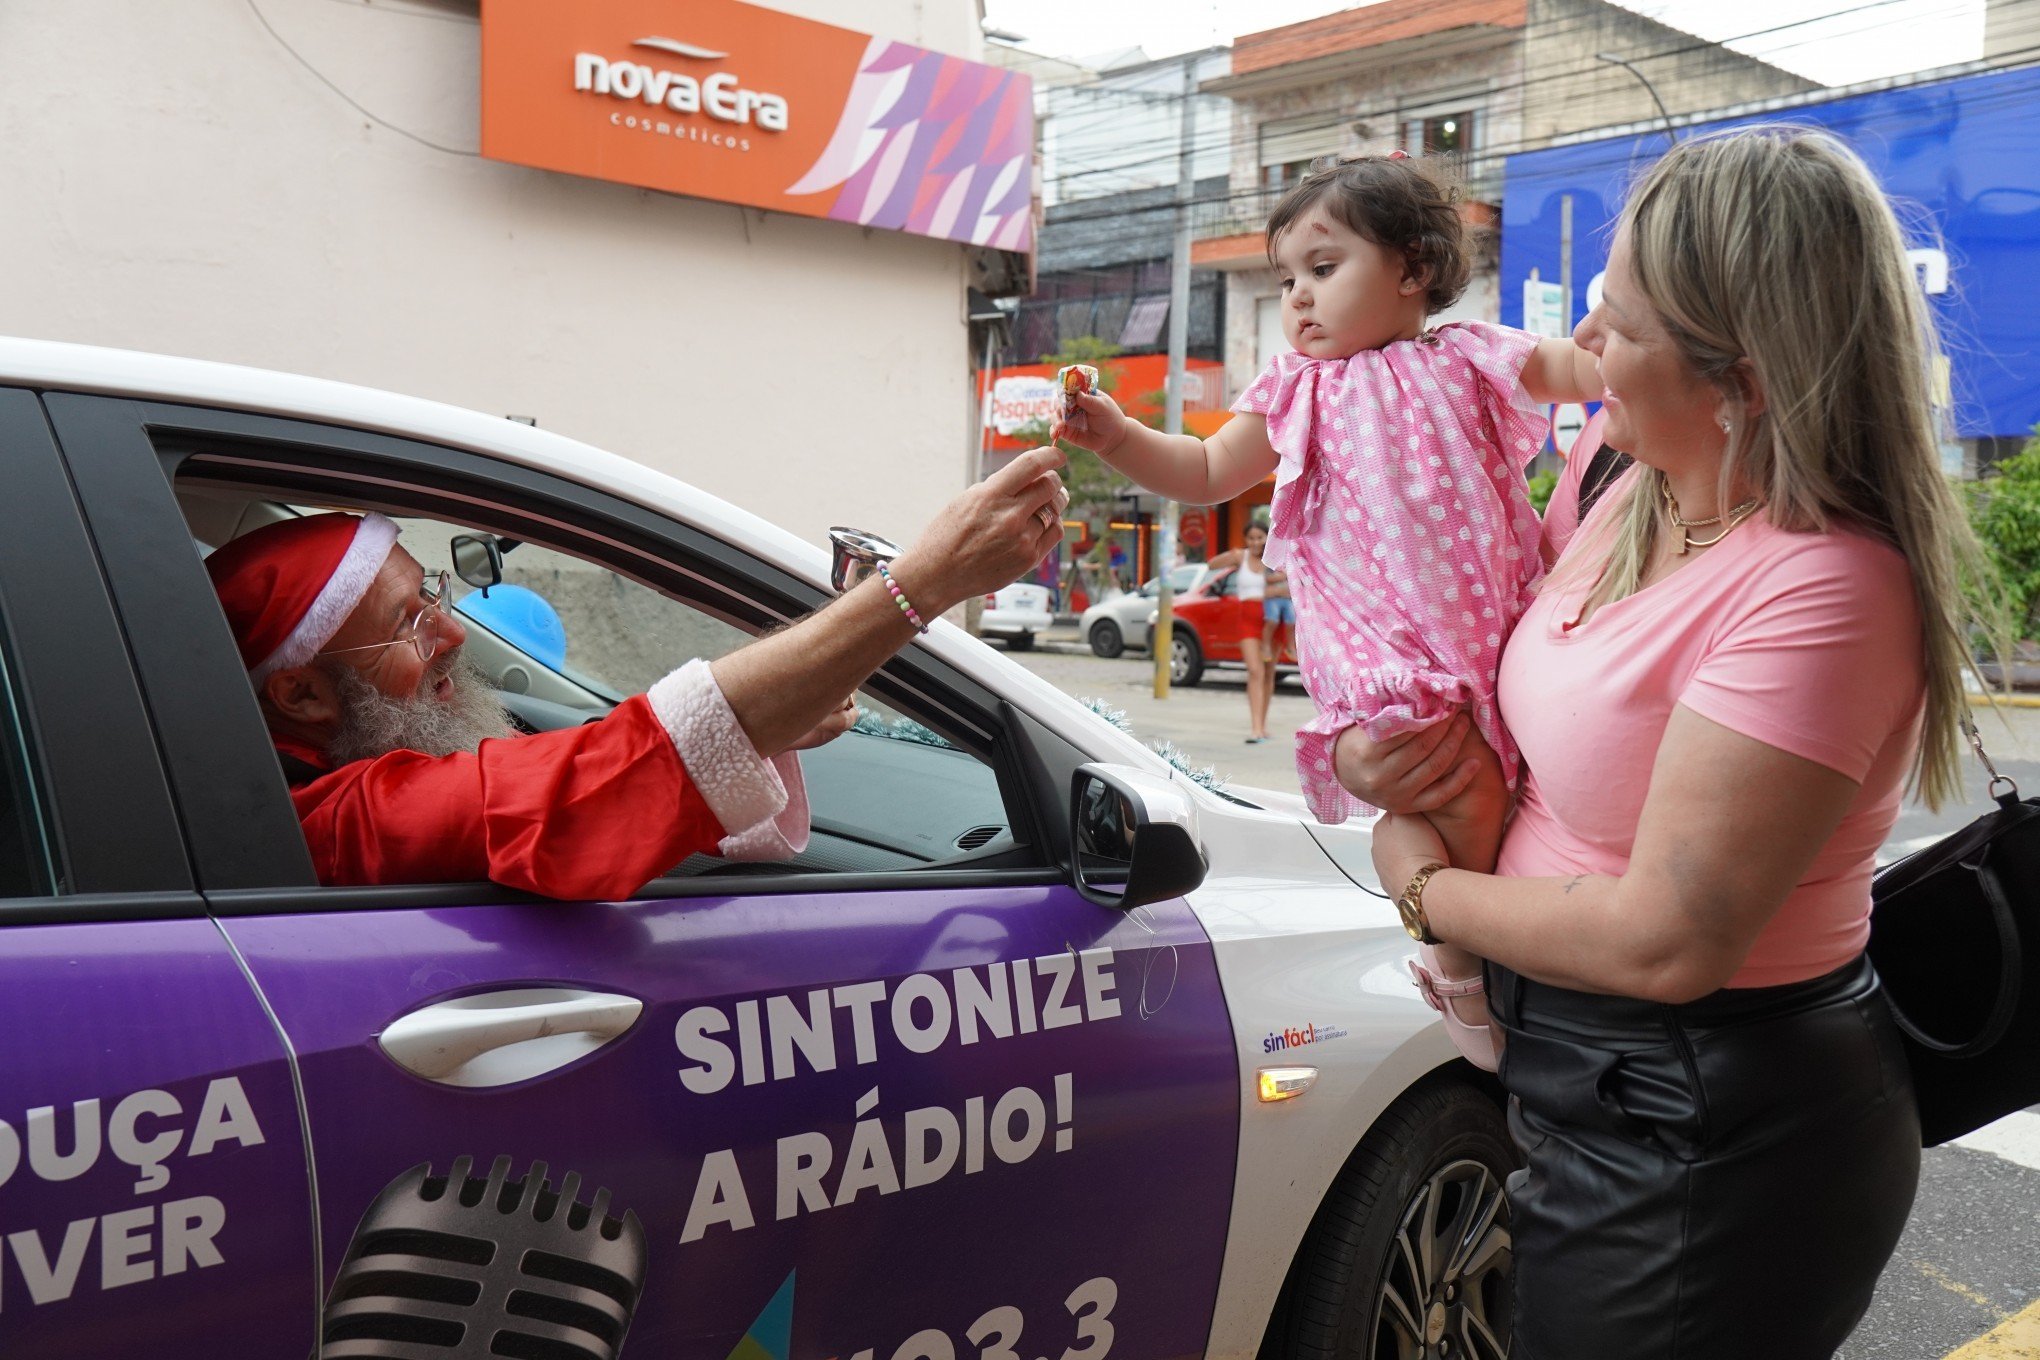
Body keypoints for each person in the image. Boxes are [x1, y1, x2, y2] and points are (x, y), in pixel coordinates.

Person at [1356, 128, 1982, 1358]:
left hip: (1706, 1122)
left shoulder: (1827, 590)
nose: (1584, 344)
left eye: (1619, 323)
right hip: (1576, 1077)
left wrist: (1423, 885)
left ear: (1740, 378)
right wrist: (1400, 760)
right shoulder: (1613, 473)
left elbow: (1669, 938)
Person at [1053, 152, 1599, 880]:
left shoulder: (1470, 355)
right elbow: (1207, 470)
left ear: (1413, 271)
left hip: (1493, 633)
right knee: (1462, 786)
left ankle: (1474, 942)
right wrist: (1120, 438)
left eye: (1323, 269)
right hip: (1386, 657)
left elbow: (1587, 368)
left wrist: (1636, 325)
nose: (1298, 298)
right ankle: (1468, 965)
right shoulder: (1295, 386)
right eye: (1287, 280)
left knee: (1506, 791)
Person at [205, 448, 1070, 899]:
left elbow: (559, 762)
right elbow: (579, 788)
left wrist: (764, 716)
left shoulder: (341, 763)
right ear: (303, 694)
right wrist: (921, 584)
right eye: (407, 623)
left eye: (434, 592)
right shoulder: (331, 820)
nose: (452, 634)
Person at [1204, 521, 1283, 743]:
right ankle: (1255, 728)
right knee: (1254, 671)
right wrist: (1234, 554)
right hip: (1248, 619)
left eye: (1260, 537)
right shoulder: (1242, 557)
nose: (1256, 542)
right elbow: (1211, 565)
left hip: (1272, 619)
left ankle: (1263, 726)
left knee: (1268, 672)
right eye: (1252, 538)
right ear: (1246, 540)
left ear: (1268, 538)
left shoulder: (1276, 559)